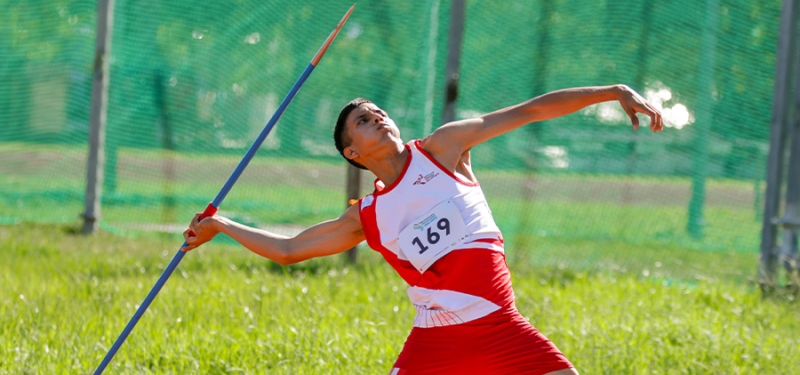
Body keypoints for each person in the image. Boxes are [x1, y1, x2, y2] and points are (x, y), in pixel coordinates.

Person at [182, 84, 663, 374]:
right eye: (363, 120)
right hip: (436, 340)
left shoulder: (442, 149)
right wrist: (222, 225)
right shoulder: (366, 215)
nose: (377, 117)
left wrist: (612, 91)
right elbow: (290, 249)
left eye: (378, 111)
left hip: (500, 327)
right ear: (352, 152)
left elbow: (529, 111)